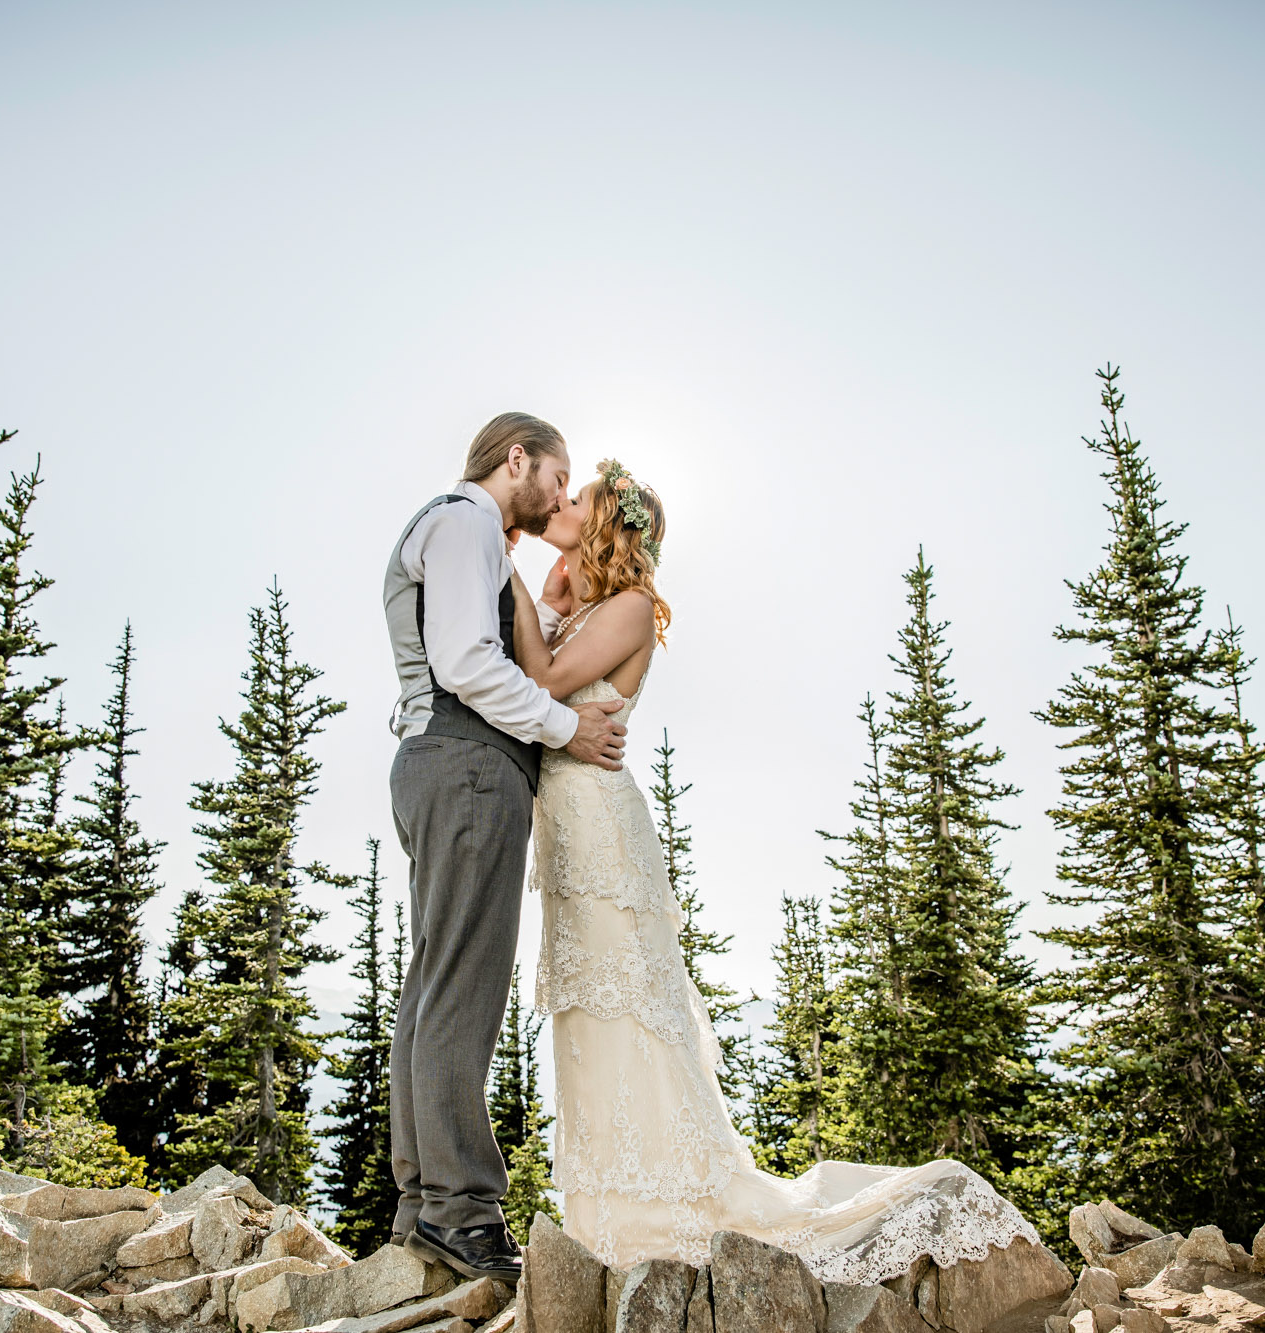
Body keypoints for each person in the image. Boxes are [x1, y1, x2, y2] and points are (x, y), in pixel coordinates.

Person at [506, 458, 1045, 1281]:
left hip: (606, 838)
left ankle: (670, 1212)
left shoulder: (632, 609)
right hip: (569, 837)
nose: (565, 502)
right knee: (590, 1015)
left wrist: (504, 568)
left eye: (580, 496)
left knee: (630, 1013)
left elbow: (540, 679)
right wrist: (547, 595)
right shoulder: (585, 604)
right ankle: (610, 1220)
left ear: (611, 519)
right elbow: (533, 685)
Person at [380, 412, 629, 1284]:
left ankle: (422, 1204)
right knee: (464, 988)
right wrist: (565, 726)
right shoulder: (464, 523)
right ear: (515, 458)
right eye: (556, 479)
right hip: (471, 768)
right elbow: (465, 661)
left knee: (432, 980)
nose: (562, 497)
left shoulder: (467, 532)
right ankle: (463, 1211)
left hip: (439, 763)